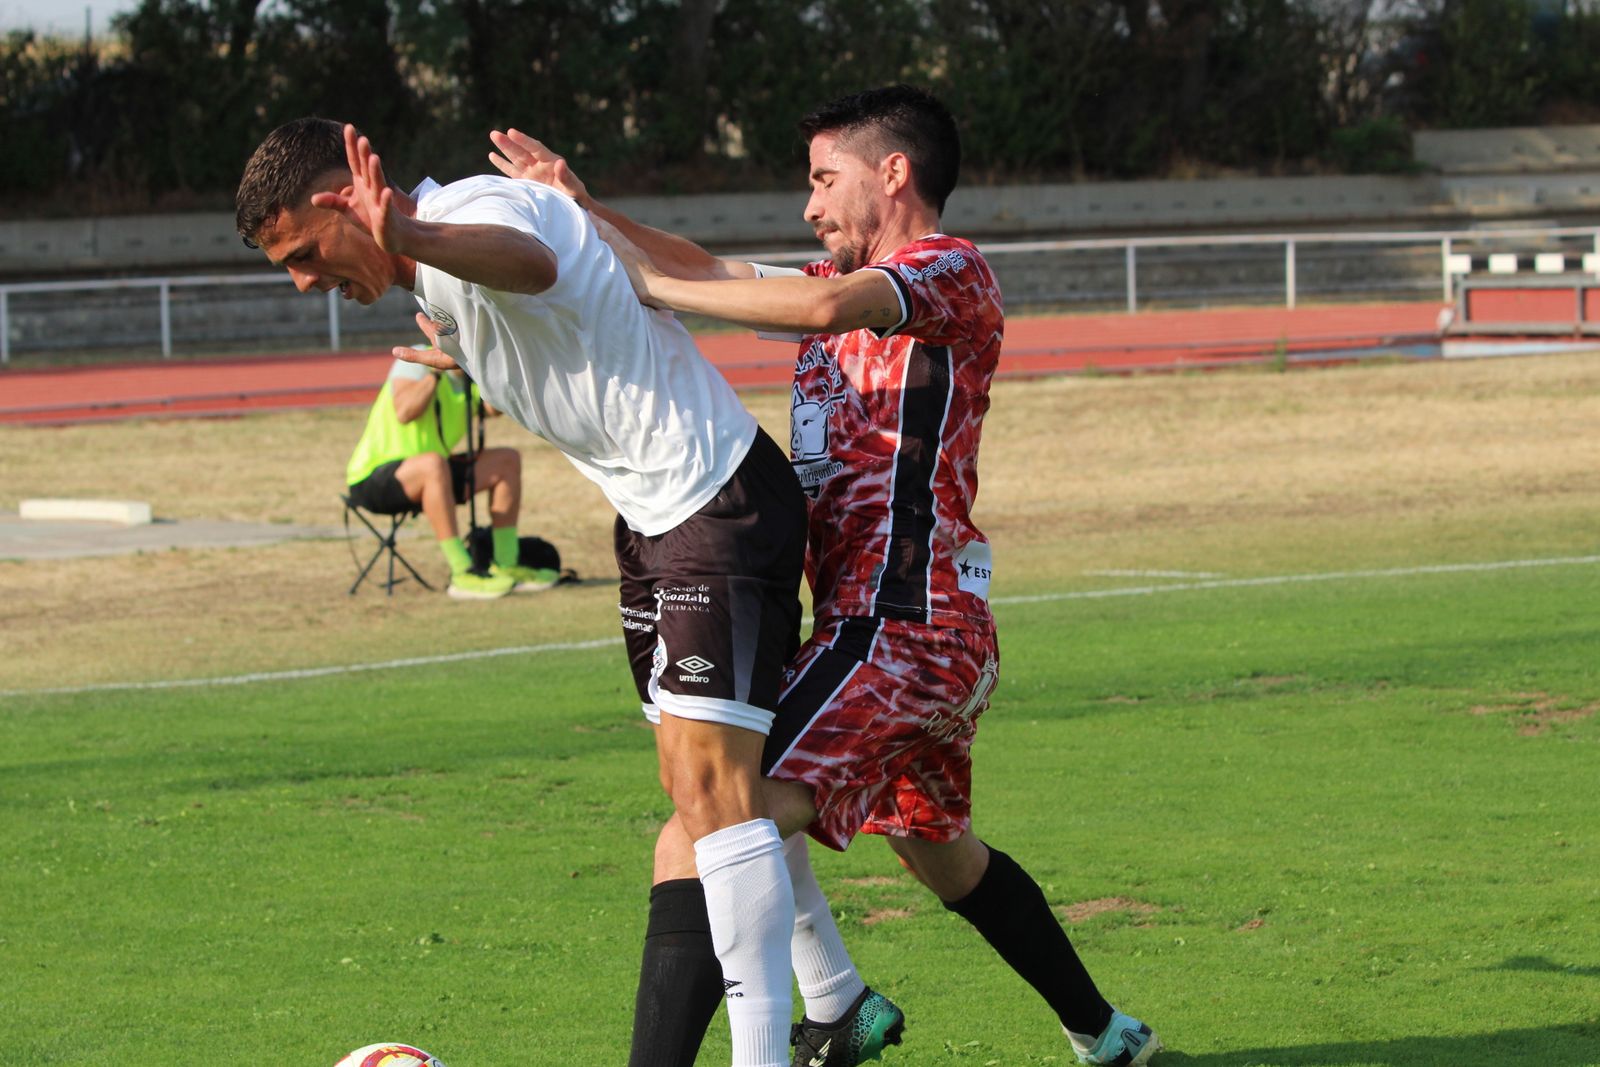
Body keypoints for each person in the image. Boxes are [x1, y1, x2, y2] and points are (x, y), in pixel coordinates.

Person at [492, 84, 1162, 1067]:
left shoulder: (948, 269)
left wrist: (654, 283)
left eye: (822, 179)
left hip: (900, 631)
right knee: (938, 850)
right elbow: (710, 268)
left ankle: (795, 1023)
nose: (809, 206)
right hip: (903, 633)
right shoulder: (832, 281)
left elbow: (806, 304)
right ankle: (1104, 1034)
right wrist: (585, 212)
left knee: (705, 828)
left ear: (892, 172)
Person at [237, 118, 811, 1067]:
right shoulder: (438, 282)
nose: (304, 282)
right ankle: (836, 992)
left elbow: (532, 261)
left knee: (716, 792)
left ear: (345, 201)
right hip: (654, 522)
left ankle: (777, 1043)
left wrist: (411, 234)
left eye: (303, 254)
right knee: (698, 793)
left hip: (712, 498)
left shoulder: (471, 211)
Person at [345, 355, 558, 600]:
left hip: (435, 473)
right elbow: (405, 412)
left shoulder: (470, 374)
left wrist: (496, 371)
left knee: (506, 460)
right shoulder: (417, 360)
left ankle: (506, 565)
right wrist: (437, 372)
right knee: (433, 464)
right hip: (373, 479)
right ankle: (463, 572)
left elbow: (493, 409)